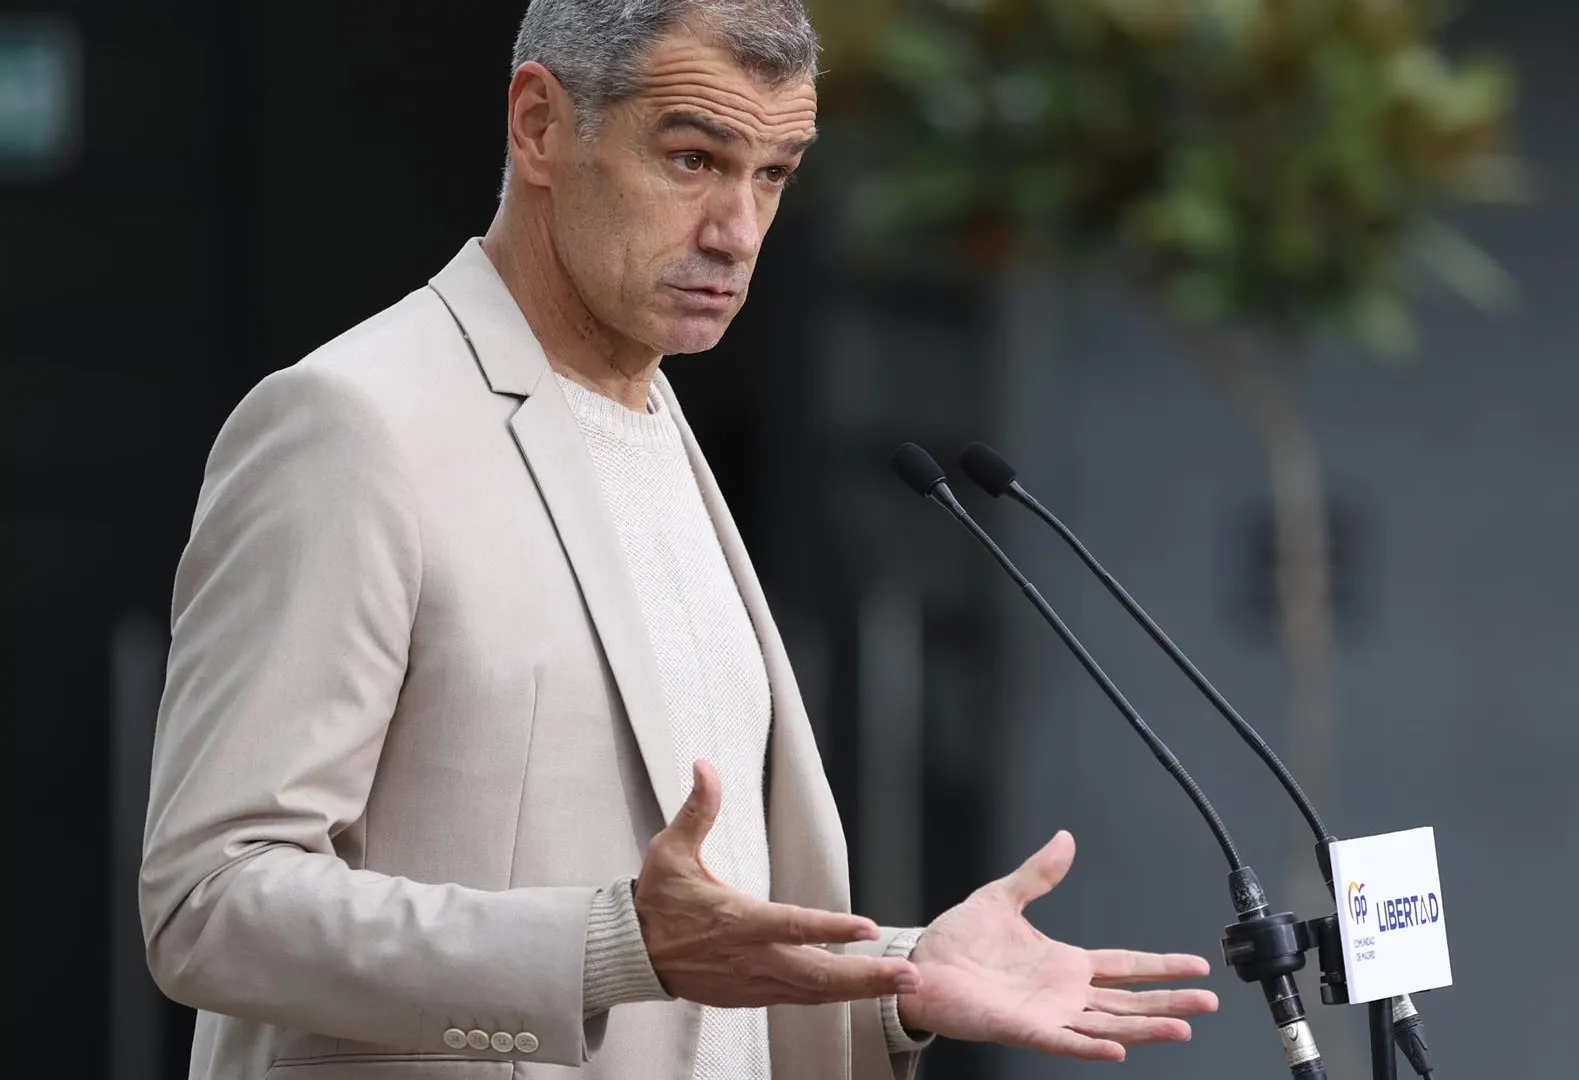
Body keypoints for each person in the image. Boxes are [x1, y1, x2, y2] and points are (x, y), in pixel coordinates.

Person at [137, 2, 1220, 1078]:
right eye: (695, 159)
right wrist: (612, 947)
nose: (736, 231)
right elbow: (211, 899)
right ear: (539, 125)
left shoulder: (656, 425)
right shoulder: (351, 424)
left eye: (773, 175)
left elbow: (696, 957)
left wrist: (896, 978)